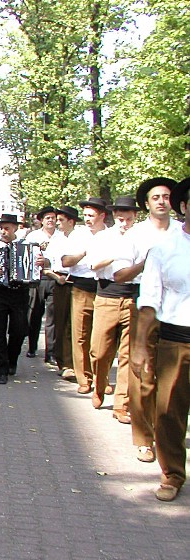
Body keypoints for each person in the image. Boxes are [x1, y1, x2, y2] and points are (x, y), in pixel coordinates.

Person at [113, 177, 180, 462]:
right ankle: (144, 438)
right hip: (144, 304)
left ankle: (168, 432)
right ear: (148, 204)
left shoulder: (182, 232)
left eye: (166, 196)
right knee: (143, 372)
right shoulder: (136, 235)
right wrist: (149, 262)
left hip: (177, 309)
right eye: (156, 197)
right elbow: (119, 274)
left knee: (173, 376)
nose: (162, 201)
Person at [130, 177, 189, 501]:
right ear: (185, 207)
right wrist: (140, 347)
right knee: (168, 413)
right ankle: (172, 475)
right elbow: (149, 301)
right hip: (175, 341)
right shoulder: (165, 249)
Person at [86, 197, 139, 420]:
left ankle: (122, 404)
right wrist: (114, 254)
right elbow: (92, 265)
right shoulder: (103, 238)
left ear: (135, 217)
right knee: (100, 351)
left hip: (133, 297)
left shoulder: (142, 238)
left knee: (128, 354)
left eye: (128, 218)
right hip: (107, 294)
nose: (124, 222)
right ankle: (99, 385)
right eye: (120, 218)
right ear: (113, 216)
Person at [0, 213, 43, 384]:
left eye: (6, 228)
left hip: (20, 292)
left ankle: (12, 359)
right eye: (1, 228)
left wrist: (41, 264)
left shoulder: (27, 246)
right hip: (0, 291)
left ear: (15, 228)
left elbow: (38, 265)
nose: (3, 231)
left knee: (19, 329)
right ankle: (1, 370)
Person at [61, 197, 109, 394]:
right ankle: (84, 379)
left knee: (102, 338)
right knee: (80, 335)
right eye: (85, 215)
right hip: (81, 287)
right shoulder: (77, 236)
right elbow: (65, 262)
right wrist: (82, 254)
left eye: (91, 215)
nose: (87, 219)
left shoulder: (111, 235)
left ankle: (101, 378)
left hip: (105, 288)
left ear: (102, 216)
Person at [45, 206, 78, 379]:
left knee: (77, 325)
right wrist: (55, 277)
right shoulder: (56, 240)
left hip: (79, 282)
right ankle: (64, 363)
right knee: (61, 322)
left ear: (71, 221)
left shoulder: (82, 237)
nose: (57, 223)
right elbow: (46, 265)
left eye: (61, 220)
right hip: (60, 282)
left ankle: (78, 362)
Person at [24, 207, 58, 361]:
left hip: (55, 278)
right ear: (42, 220)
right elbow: (24, 256)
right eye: (47, 218)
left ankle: (50, 352)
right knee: (34, 313)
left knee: (52, 317)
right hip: (37, 279)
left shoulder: (62, 237)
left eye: (53, 217)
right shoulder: (33, 236)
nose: (50, 220)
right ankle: (32, 347)